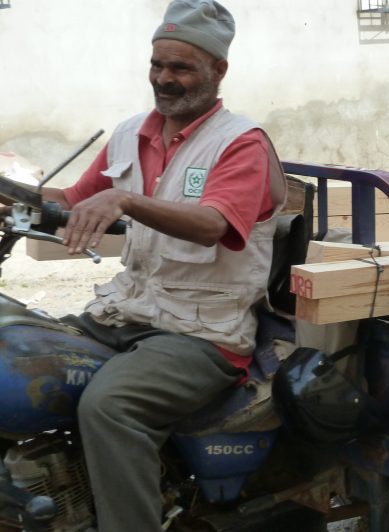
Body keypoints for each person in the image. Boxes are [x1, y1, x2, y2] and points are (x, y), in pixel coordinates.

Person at [40, 1, 287, 530]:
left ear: (218, 70)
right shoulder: (130, 134)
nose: (163, 78)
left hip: (203, 334)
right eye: (157, 64)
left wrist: (125, 200)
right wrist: (12, 194)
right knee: (28, 356)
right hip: (126, 312)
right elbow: (71, 200)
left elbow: (213, 223)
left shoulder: (241, 143)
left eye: (180, 68)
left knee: (111, 406)